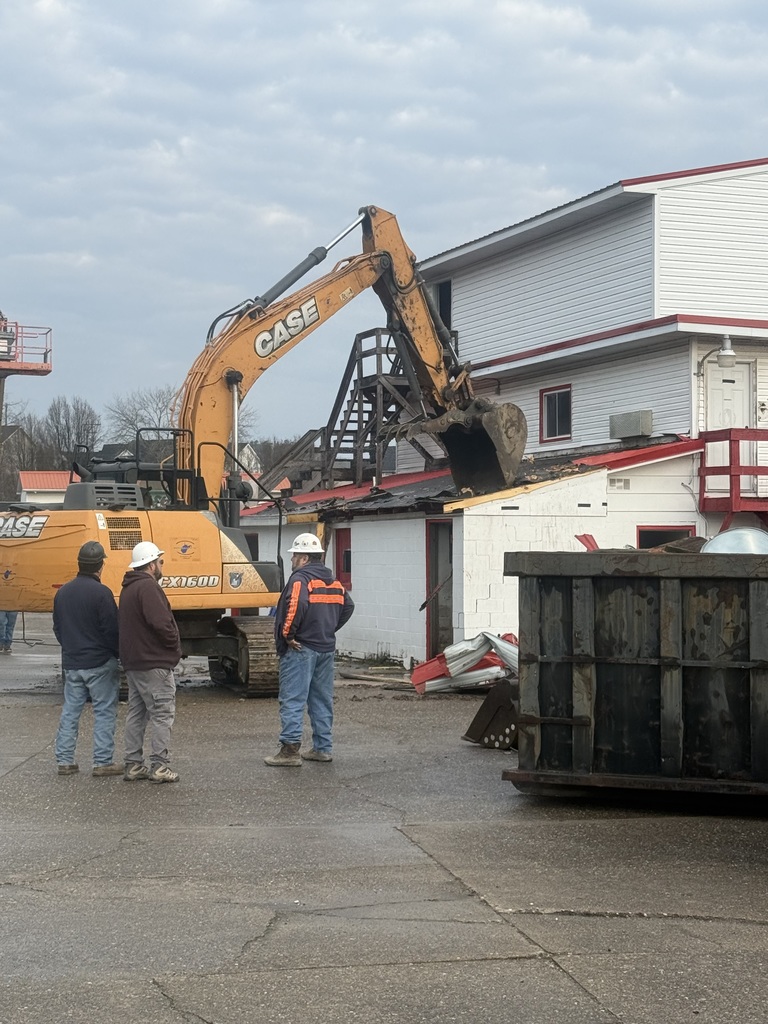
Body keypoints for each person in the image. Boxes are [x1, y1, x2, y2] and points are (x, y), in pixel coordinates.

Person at [265, 532, 354, 767]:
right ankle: (322, 748)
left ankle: (290, 751)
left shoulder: (300, 579)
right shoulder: (334, 582)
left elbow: (297, 604)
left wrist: (289, 635)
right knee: (321, 700)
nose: (292, 560)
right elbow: (348, 606)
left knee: (293, 699)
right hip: (325, 648)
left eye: (294, 555)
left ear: (304, 558)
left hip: (301, 649)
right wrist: (329, 629)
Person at [52, 541, 122, 777]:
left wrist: (71, 649)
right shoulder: (102, 593)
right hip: (100, 662)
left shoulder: (63, 592)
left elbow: (58, 628)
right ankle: (102, 762)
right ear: (100, 566)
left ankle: (64, 761)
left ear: (79, 564)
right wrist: (116, 654)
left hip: (73, 663)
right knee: (104, 711)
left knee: (71, 711)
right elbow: (112, 630)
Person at [119, 540, 182, 784]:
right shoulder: (148, 588)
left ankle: (134, 765)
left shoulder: (129, 588)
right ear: (152, 565)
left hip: (135, 663)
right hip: (154, 663)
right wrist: (173, 646)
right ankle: (160, 766)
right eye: (160, 561)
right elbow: (161, 623)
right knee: (162, 714)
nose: (161, 565)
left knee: (137, 712)